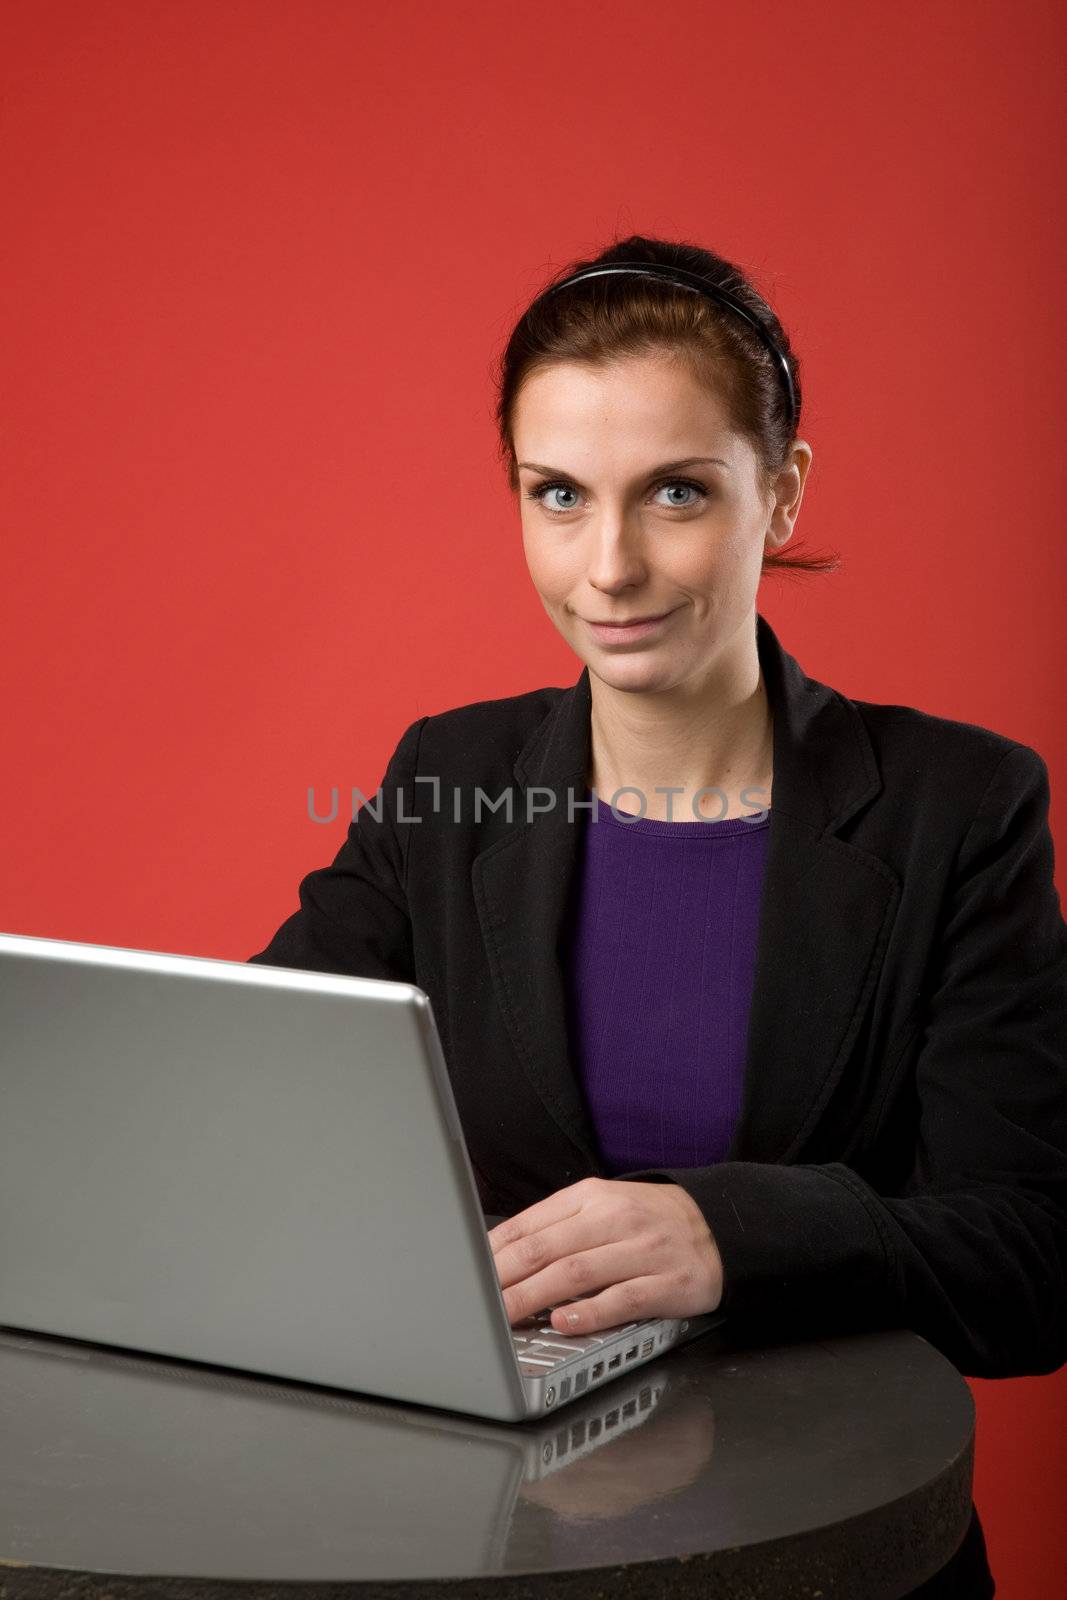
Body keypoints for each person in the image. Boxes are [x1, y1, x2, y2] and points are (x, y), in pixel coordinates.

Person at [249, 235, 1067, 1596]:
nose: (609, 566)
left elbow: (1034, 1259)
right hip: (492, 1548)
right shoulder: (444, 780)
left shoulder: (959, 807)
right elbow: (253, 1090)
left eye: (677, 493)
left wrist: (731, 1232)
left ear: (781, 493)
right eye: (558, 494)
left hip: (832, 1546)